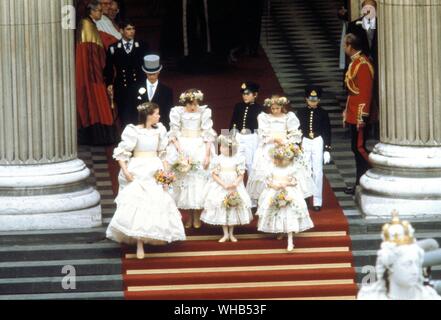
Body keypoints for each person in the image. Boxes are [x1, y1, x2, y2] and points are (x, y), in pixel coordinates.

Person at [106, 103, 186, 259]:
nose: (158, 116)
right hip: (139, 169)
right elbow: (122, 154)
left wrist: (166, 173)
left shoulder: (160, 130)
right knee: (139, 204)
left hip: (155, 169)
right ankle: (139, 243)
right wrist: (126, 171)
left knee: (158, 202)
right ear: (148, 115)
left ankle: (156, 234)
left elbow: (162, 153)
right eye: (156, 113)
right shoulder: (133, 131)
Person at [247, 95, 314, 207]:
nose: (275, 111)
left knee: (292, 169)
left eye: (277, 108)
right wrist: (273, 139)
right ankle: (267, 200)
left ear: (282, 107)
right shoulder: (265, 117)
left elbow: (294, 132)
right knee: (266, 171)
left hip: (284, 145)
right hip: (270, 146)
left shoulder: (288, 117)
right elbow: (263, 134)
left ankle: (291, 198)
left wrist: (288, 142)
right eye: (273, 109)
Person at [358, 211, 441, 300]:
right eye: (408, 264)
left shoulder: (429, 296)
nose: (415, 271)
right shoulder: (370, 297)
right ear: (390, 266)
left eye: (417, 263)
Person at [166, 89, 217, 229]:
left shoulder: (204, 112)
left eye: (195, 104)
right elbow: (173, 133)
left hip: (199, 146)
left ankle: (197, 215)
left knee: (198, 180)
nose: (193, 107)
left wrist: (207, 155)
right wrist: (178, 149)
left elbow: (208, 134)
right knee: (185, 180)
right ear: (185, 103)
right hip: (183, 145)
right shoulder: (177, 112)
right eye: (190, 104)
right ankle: (189, 216)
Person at [256, 145, 315, 252]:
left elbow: (295, 181)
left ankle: (290, 240)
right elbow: (268, 181)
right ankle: (280, 230)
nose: (280, 162)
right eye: (278, 159)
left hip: (289, 193)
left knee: (289, 214)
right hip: (275, 192)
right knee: (277, 212)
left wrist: (286, 183)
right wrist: (274, 185)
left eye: (283, 160)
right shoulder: (272, 169)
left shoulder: (291, 169)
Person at [76, 0, 118, 146]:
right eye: (99, 10)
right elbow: (91, 52)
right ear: (91, 12)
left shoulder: (90, 24)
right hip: (92, 75)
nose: (101, 12)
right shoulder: (87, 25)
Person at [201, 135, 253, 242]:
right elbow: (214, 175)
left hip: (234, 186)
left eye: (225, 147)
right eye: (221, 147)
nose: (222, 149)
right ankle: (225, 234)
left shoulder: (238, 159)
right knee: (223, 208)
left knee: (233, 207)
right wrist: (223, 184)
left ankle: (231, 233)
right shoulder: (217, 159)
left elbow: (241, 174)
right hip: (221, 187)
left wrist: (235, 184)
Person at [343, 33, 374, 195]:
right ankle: (359, 182)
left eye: (345, 45)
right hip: (353, 111)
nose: (344, 47)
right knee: (355, 148)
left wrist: (362, 116)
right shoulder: (355, 61)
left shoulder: (362, 64)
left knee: (359, 147)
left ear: (351, 46)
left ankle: (375, 172)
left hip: (360, 114)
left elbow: (365, 93)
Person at [104, 21, 149, 129]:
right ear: (121, 31)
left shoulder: (142, 46)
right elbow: (109, 68)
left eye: (133, 29)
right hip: (122, 87)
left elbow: (147, 66)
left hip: (138, 85)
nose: (132, 32)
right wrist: (109, 83)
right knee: (124, 115)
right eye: (128, 29)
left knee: (139, 114)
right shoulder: (113, 48)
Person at [296, 86, 332, 211]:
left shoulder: (323, 113)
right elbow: (297, 130)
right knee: (305, 171)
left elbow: (327, 131)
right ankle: (305, 198)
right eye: (310, 99)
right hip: (305, 141)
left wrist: (327, 149)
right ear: (306, 99)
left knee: (317, 172)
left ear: (319, 100)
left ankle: (317, 201)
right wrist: (297, 145)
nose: (313, 101)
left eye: (315, 99)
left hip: (317, 141)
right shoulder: (300, 112)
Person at [229, 82, 264, 177]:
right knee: (235, 161)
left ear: (255, 95)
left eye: (248, 94)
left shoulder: (260, 108)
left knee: (251, 163)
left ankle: (251, 189)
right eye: (243, 94)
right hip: (239, 137)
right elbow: (233, 122)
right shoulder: (238, 106)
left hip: (252, 138)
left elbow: (261, 127)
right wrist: (231, 137)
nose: (245, 96)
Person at [136, 55, 174, 130]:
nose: (152, 76)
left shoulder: (167, 91)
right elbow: (131, 111)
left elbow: (168, 113)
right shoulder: (135, 89)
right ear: (145, 72)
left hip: (159, 127)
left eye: (154, 73)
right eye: (149, 74)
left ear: (159, 72)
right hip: (141, 127)